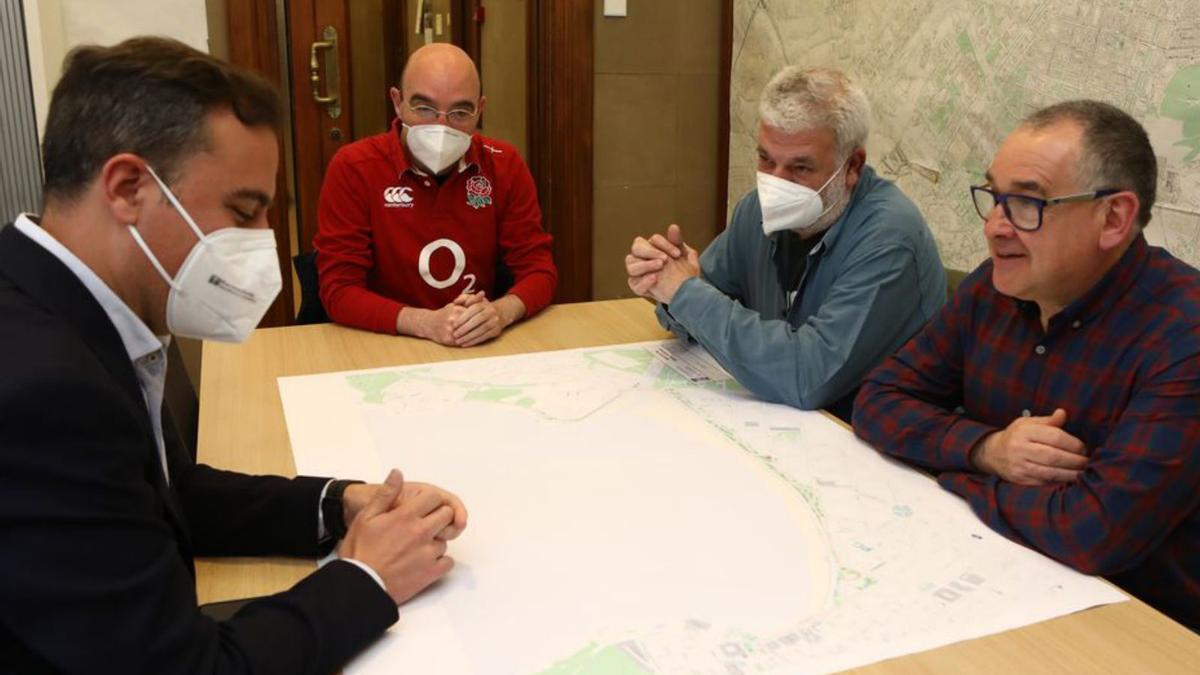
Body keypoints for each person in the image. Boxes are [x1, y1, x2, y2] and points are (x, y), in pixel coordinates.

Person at [0, 37, 468, 673]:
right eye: (243, 212)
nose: (261, 245)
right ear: (128, 186)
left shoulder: (63, 305)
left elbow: (162, 491)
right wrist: (367, 577)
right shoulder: (45, 391)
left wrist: (338, 503)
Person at [852, 100, 1200, 632]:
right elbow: (878, 400)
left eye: (1025, 205)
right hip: (998, 573)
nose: (995, 228)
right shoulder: (992, 290)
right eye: (994, 198)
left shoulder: (1183, 333)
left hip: (1140, 625)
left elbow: (1091, 534)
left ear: (1114, 218)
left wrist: (948, 473)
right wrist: (987, 450)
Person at [624, 67, 944, 420]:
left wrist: (686, 293)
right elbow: (699, 302)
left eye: (800, 168)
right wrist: (667, 281)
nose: (776, 183)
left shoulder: (889, 240)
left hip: (868, 446)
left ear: (852, 166)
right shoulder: (756, 211)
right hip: (784, 426)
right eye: (766, 159)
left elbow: (806, 377)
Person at [315, 43, 557, 347]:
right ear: (397, 102)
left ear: (480, 110)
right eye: (424, 108)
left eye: (460, 112)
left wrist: (499, 312)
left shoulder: (504, 164)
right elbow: (339, 290)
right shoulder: (354, 167)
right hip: (384, 342)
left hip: (475, 345)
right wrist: (424, 323)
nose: (441, 127)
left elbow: (539, 269)